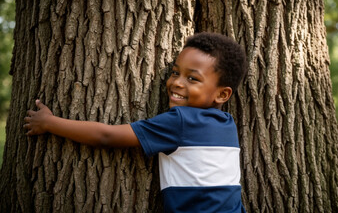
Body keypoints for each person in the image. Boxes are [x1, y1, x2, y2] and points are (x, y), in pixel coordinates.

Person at [24, 32, 248, 213]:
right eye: (175, 73)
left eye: (192, 78)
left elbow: (107, 137)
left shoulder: (181, 121)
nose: (177, 83)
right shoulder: (227, 124)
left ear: (222, 94)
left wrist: (50, 123)